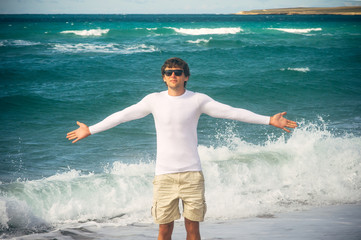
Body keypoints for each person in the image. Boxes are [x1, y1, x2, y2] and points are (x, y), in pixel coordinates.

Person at [67, 57, 297, 240]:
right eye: (169, 73)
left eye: (178, 72)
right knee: (164, 231)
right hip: (164, 176)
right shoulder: (153, 100)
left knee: (192, 230)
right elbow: (122, 116)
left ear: (186, 76)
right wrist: (92, 129)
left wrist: (269, 120)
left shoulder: (198, 100)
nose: (173, 75)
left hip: (191, 175)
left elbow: (232, 111)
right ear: (163, 78)